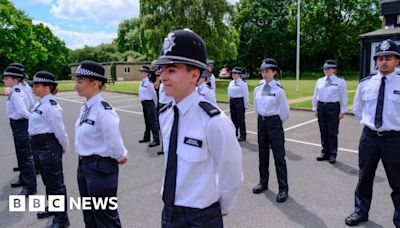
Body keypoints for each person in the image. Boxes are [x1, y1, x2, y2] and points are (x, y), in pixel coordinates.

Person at [154, 28, 243, 228]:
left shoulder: (213, 121)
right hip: (168, 213)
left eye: (172, 70)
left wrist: (221, 208)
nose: (163, 77)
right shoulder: (166, 115)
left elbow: (232, 172)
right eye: (163, 70)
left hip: (201, 218)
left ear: (194, 75)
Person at [346, 39, 400, 227]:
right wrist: (372, 125)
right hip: (369, 137)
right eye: (380, 58)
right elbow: (358, 109)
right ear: (376, 61)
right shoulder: (366, 83)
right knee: (364, 177)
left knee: (398, 182)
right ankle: (360, 212)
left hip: (394, 140)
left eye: (388, 58)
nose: (384, 62)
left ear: (397, 61)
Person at [71, 60, 129, 228]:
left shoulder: (104, 110)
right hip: (84, 165)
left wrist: (120, 155)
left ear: (95, 84)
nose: (76, 85)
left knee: (105, 218)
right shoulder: (86, 107)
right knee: (89, 215)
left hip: (100, 169)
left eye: (80, 81)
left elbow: (113, 138)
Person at [28, 71, 70, 228]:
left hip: (49, 146)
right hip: (38, 145)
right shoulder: (40, 103)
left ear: (48, 87)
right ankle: (53, 208)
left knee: (56, 184)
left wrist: (63, 147)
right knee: (48, 181)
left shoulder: (52, 107)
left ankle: (62, 219)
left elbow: (60, 131)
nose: (34, 88)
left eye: (37, 86)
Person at [252, 58, 290, 202]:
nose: (264, 73)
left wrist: (275, 123)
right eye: (262, 71)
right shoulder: (258, 89)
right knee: (262, 155)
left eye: (267, 71)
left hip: (274, 123)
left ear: (274, 73)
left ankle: (283, 189)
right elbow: (256, 108)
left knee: (279, 157)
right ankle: (263, 182)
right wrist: (264, 119)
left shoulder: (279, 91)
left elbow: (285, 112)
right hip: (261, 123)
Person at [3, 66, 37, 196]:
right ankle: (24, 178)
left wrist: (32, 119)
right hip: (19, 124)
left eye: (6, 78)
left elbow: (23, 111)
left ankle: (30, 186)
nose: (4, 80)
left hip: (20, 124)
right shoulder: (18, 89)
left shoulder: (16, 92)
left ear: (14, 79)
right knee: (21, 153)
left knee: (25, 156)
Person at [312, 60, 348, 164]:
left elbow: (344, 97)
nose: (326, 70)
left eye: (329, 68)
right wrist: (315, 108)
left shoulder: (340, 81)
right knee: (323, 131)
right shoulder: (320, 81)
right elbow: (315, 95)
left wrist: (343, 111)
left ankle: (333, 154)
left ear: (334, 70)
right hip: (321, 106)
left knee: (332, 132)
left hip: (333, 107)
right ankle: (325, 152)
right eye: (325, 69)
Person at [9, 63, 41, 174]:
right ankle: (24, 166)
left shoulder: (23, 86)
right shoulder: (19, 86)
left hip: (24, 119)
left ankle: (33, 168)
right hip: (21, 119)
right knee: (23, 148)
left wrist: (30, 116)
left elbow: (31, 103)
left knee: (27, 147)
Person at [138, 65, 160, 147]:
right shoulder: (142, 82)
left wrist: (155, 104)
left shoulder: (148, 82)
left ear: (147, 73)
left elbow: (154, 94)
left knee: (153, 122)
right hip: (144, 103)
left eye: (142, 72)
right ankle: (146, 137)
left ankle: (156, 140)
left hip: (150, 103)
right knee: (147, 121)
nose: (140, 73)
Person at [227, 67, 249, 141]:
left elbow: (246, 95)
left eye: (235, 73)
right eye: (233, 73)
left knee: (240, 119)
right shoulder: (231, 82)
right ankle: (234, 132)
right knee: (233, 118)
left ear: (239, 75)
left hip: (239, 101)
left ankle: (243, 135)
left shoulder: (243, 83)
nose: (233, 74)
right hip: (232, 101)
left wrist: (245, 105)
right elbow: (229, 92)